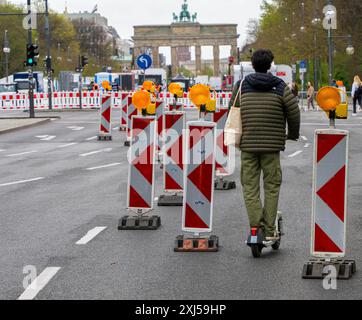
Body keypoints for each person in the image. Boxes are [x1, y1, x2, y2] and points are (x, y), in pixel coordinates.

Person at [229, 49, 300, 241]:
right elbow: (293, 112)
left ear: (252, 65)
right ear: (270, 65)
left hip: (248, 146)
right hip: (272, 147)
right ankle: (269, 230)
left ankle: (255, 227)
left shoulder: (241, 85)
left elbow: (232, 110)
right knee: (271, 186)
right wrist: (292, 134)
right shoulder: (280, 86)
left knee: (250, 186)